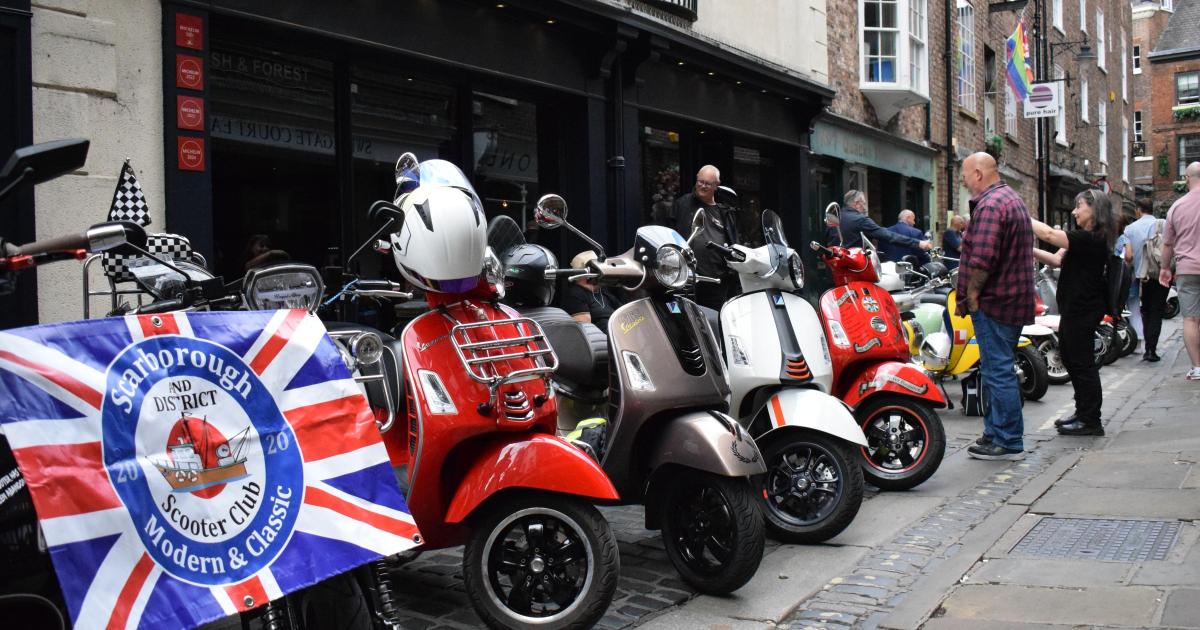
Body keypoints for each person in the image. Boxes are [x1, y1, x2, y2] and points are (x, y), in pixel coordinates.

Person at [956, 152, 1034, 459]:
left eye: (964, 174)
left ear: (978, 173)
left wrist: (972, 295)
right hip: (1011, 299)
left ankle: (1007, 439)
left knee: (998, 370)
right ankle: (995, 433)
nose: (963, 180)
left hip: (996, 301)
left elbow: (982, 259)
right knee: (995, 368)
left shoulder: (990, 205)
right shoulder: (1010, 198)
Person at [1031, 189, 1118, 436]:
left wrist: (1022, 216)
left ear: (1094, 210)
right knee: (1071, 358)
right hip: (1074, 309)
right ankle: (1083, 412)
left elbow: (1048, 234)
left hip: (1083, 309)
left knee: (1082, 363)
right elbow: (1056, 260)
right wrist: (1030, 251)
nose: (1074, 211)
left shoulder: (1092, 238)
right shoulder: (1084, 238)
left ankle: (1091, 420)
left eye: (1079, 206)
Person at [670, 165, 739, 310]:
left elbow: (734, 244)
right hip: (685, 279)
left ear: (716, 185)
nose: (702, 186)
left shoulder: (724, 212)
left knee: (714, 322)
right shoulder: (683, 203)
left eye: (707, 183)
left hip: (715, 282)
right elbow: (669, 231)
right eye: (700, 182)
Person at [1159, 161, 1200, 381]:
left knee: (1191, 319)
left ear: (1187, 179)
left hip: (1187, 269)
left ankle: (1197, 368)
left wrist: (1165, 268)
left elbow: (1168, 244)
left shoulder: (1177, 206)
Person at [837, 190, 933, 255]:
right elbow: (888, 236)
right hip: (854, 269)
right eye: (863, 203)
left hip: (834, 271)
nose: (865, 207)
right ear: (857, 203)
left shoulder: (835, 218)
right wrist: (918, 243)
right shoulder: (860, 220)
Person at [1125, 198, 1159, 354]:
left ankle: (1140, 341)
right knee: (1155, 311)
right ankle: (1151, 347)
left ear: (1138, 209)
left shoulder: (1130, 228)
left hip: (1138, 275)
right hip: (1158, 274)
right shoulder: (1161, 224)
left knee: (1139, 309)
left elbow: (1128, 256)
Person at [561, 250, 622, 333]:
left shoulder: (603, 291)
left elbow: (625, 314)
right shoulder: (576, 294)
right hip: (604, 340)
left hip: (621, 334)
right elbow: (586, 330)